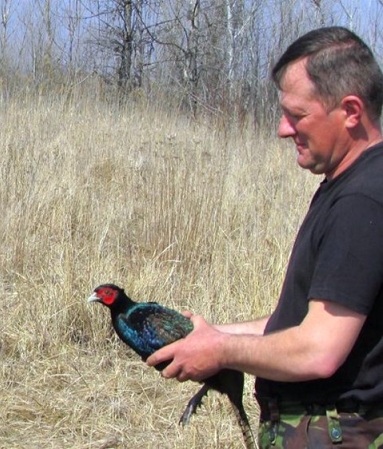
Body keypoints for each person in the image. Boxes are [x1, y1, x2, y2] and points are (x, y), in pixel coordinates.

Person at [146, 26, 383, 448]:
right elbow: (300, 325)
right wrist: (212, 336)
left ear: (350, 111)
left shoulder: (362, 201)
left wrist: (222, 351)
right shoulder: (348, 184)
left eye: (297, 115)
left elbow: (318, 350)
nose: (283, 129)